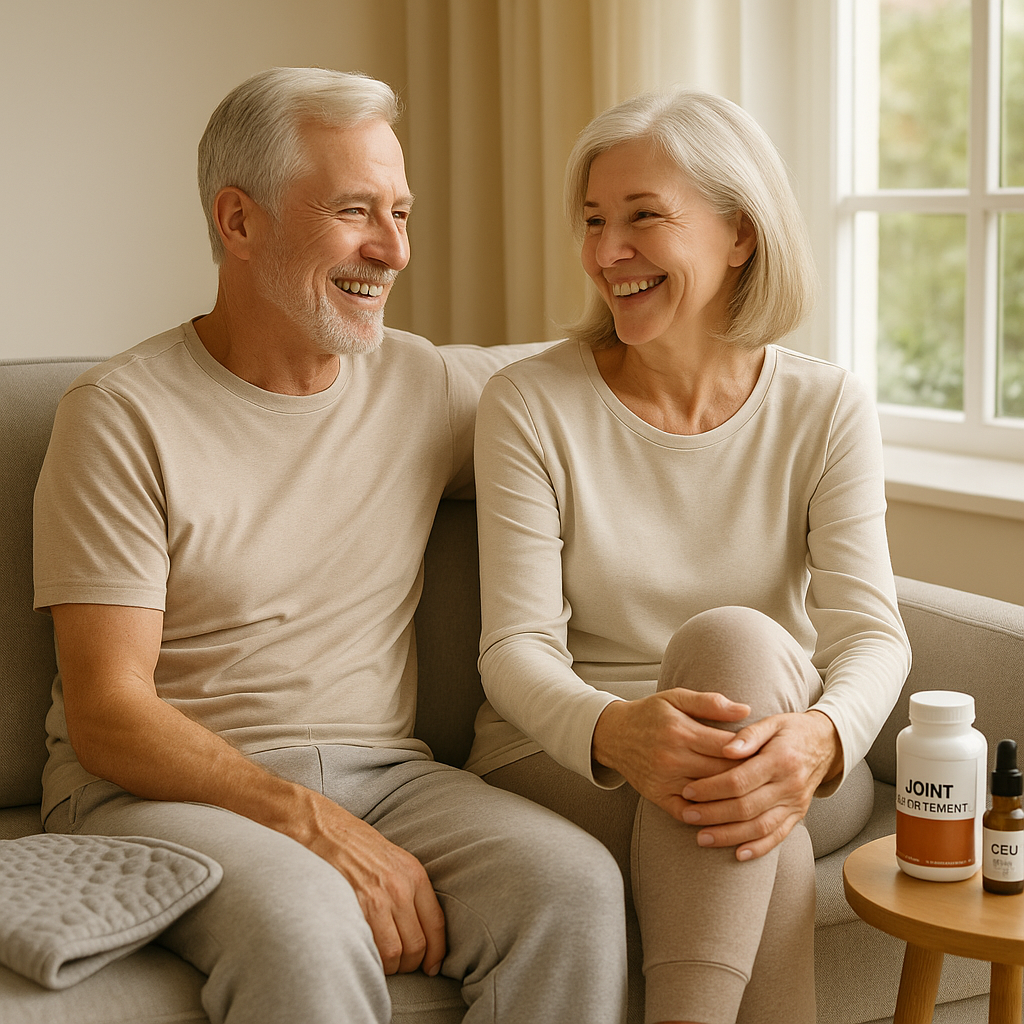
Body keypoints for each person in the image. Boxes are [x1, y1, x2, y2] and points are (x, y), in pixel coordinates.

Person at [33, 67, 628, 1024]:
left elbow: (614, 390)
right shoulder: (118, 417)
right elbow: (108, 713)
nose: (393, 250)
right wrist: (311, 824)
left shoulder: (423, 384)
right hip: (157, 792)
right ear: (238, 222)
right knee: (311, 927)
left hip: (387, 776)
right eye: (356, 211)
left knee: (572, 890)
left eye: (401, 212)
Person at [464, 89, 912, 1024]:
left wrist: (822, 737)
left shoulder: (824, 407)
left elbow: (872, 633)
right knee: (751, 820)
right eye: (593, 222)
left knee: (735, 658)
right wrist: (615, 729)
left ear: (740, 235)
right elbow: (513, 649)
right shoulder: (529, 406)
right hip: (574, 756)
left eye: (642, 218)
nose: (605, 253)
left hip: (787, 743)